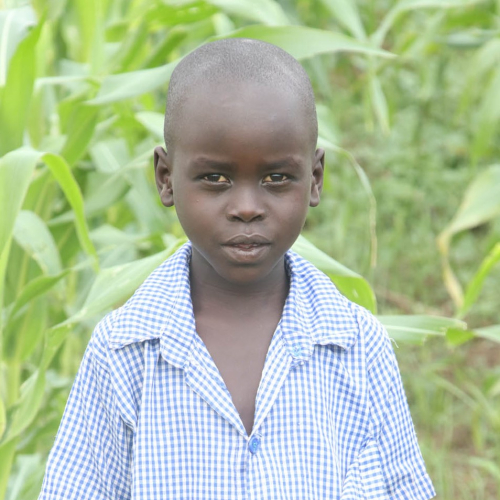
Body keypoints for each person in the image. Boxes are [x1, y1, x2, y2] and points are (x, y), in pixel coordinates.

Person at [39, 39, 435, 500]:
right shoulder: (124, 353)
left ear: (314, 179)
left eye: (276, 178)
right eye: (215, 178)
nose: (247, 207)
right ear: (166, 178)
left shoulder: (359, 347)